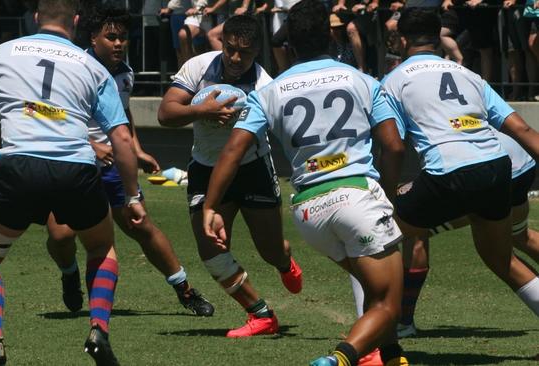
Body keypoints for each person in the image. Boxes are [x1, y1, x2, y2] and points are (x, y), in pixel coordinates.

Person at [202, 1, 409, 365]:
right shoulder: (363, 80)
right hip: (357, 197)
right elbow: (393, 145)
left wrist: (210, 206)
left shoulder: (268, 93)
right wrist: (389, 194)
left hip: (310, 211)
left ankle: (390, 357)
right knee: (390, 302)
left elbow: (233, 152)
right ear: (330, 37)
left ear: (290, 45)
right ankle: (340, 359)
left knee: (375, 288)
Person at [0, 0, 145, 365]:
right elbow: (121, 139)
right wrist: (133, 195)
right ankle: (98, 331)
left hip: (17, 167)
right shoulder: (92, 66)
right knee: (101, 248)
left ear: (34, 19)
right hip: (75, 170)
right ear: (75, 22)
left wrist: (11, 143)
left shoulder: (0, 53)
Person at [46, 5, 214, 317]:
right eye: (111, 37)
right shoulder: (72, 68)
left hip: (112, 166)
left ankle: (185, 290)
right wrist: (91, 143)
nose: (119, 43)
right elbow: (50, 115)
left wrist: (136, 149)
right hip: (71, 161)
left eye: (123, 37)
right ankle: (69, 273)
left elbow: (122, 115)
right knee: (61, 235)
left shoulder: (125, 73)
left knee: (141, 225)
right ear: (93, 38)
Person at [382, 7, 539, 328]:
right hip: (497, 169)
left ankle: (385, 324)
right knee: (502, 258)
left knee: (376, 234)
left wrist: (386, 194)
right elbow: (522, 130)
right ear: (439, 36)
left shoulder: (393, 81)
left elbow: (394, 146)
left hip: (449, 174)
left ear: (400, 39)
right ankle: (396, 322)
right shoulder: (469, 75)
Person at [158, 14, 303, 338]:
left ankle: (284, 261)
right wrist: (201, 111)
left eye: (246, 53)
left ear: (257, 53)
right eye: (231, 50)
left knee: (270, 250)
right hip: (205, 166)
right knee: (210, 247)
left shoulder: (265, 86)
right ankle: (260, 313)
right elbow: (166, 113)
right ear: (222, 43)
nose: (237, 59)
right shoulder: (197, 68)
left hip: (251, 168)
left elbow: (237, 150)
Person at [393, 130, 539, 338]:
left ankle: (403, 323)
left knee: (415, 231)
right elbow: (520, 126)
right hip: (516, 159)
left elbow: (393, 145)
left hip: (479, 164)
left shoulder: (399, 98)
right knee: (518, 236)